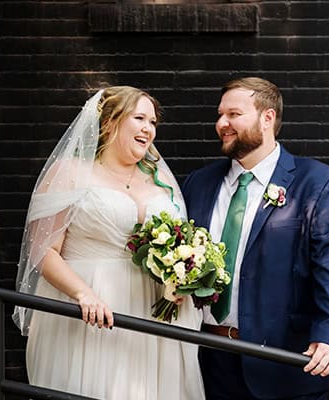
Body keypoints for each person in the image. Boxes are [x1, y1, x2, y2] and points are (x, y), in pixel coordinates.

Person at [13, 86, 205, 400]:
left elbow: (177, 242)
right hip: (92, 310)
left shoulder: (159, 178)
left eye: (153, 122)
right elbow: (43, 251)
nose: (148, 128)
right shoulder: (70, 172)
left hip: (152, 313)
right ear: (109, 122)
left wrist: (181, 280)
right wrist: (83, 293)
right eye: (140, 118)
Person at [182, 77, 329, 400]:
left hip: (283, 366)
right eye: (220, 115)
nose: (222, 124)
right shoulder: (199, 184)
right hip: (208, 362)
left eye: (234, 114)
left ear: (267, 118)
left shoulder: (316, 183)